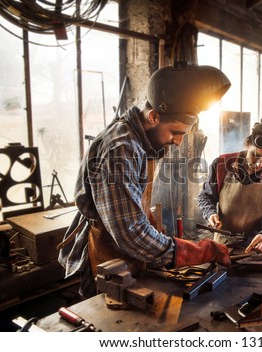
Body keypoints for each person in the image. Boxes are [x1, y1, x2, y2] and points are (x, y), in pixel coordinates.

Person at [58, 64, 232, 297]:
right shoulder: (121, 148)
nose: (178, 142)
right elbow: (133, 234)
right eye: (175, 133)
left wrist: (149, 220)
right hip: (108, 261)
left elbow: (130, 200)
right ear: (153, 116)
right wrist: (196, 251)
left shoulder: (140, 140)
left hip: (127, 256)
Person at [197, 117, 262, 254]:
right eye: (256, 155)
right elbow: (206, 196)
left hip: (257, 245)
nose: (260, 164)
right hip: (223, 244)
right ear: (248, 143)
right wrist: (210, 213)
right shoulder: (222, 164)